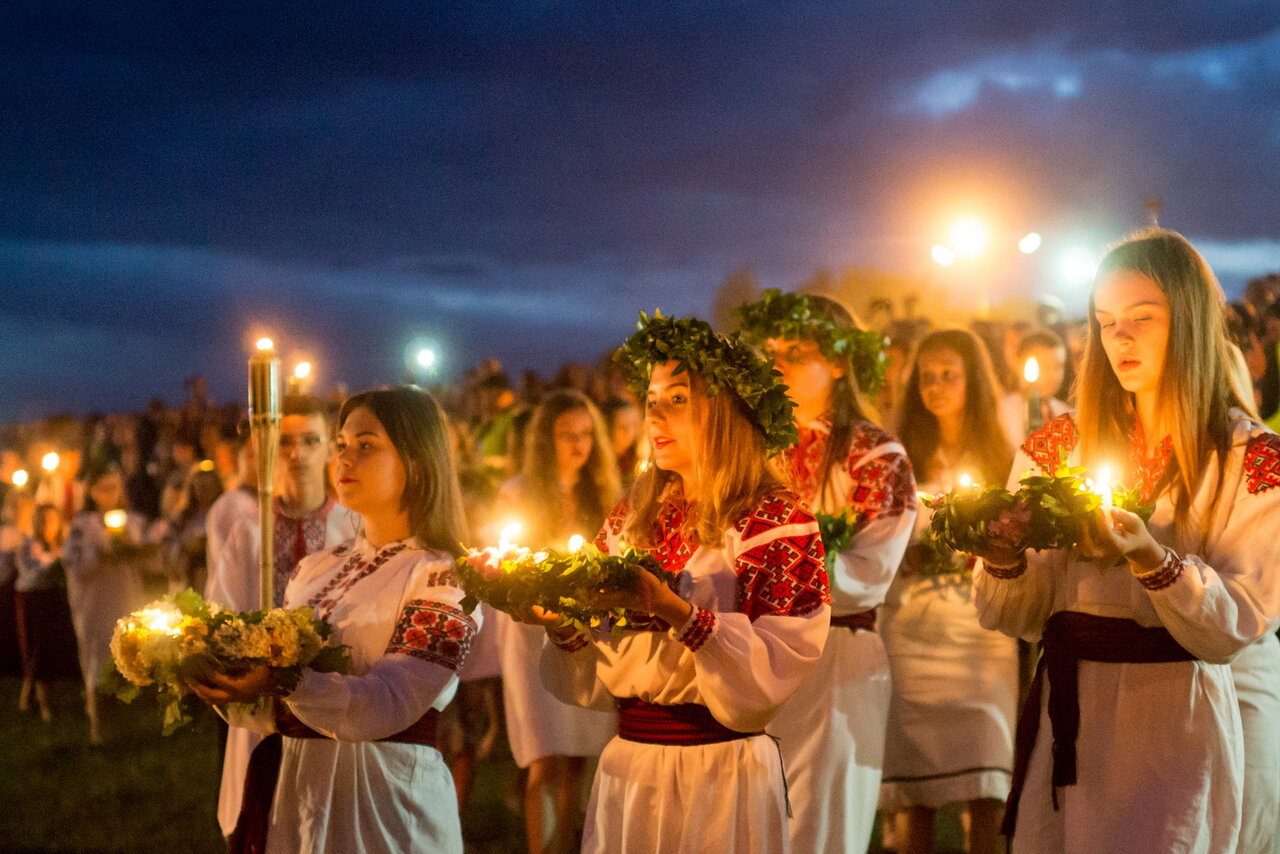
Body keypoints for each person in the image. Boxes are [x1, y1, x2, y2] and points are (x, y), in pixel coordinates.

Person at [970, 229, 1280, 854]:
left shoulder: (1250, 457)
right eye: (1107, 322)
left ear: (1190, 323)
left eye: (1143, 318)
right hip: (1072, 706)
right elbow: (1020, 615)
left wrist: (1151, 558)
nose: (1121, 339)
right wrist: (1004, 557)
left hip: (1174, 717)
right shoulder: (1056, 444)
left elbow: (1240, 619)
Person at [532, 314, 831, 854]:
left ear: (726, 412)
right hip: (630, 765)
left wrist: (681, 615)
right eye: (651, 400)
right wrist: (561, 627)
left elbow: (784, 657)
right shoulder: (631, 518)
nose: (655, 415)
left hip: (720, 772)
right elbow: (595, 674)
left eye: (677, 399)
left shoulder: (774, 519)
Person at [189, 386, 481, 854]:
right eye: (342, 445)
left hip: (384, 800)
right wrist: (226, 682)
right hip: (301, 790)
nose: (343, 459)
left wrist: (286, 681)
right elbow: (273, 707)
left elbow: (393, 698)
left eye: (366, 446)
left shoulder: (443, 576)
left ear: (418, 461)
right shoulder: (315, 570)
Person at [736, 290, 917, 853]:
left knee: (819, 824)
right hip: (751, 659)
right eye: (771, 351)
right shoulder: (749, 449)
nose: (778, 364)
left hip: (836, 658)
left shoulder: (874, 454)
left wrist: (773, 578)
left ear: (839, 362)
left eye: (796, 350)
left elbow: (870, 568)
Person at [882, 328, 1019, 854]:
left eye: (949, 376)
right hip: (913, 623)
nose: (935, 387)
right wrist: (910, 553)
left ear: (973, 382)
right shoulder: (901, 455)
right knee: (917, 783)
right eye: (926, 377)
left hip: (979, 624)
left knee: (986, 782)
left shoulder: (1001, 455)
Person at [204, 395, 358, 839]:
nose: (297, 452)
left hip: (334, 704)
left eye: (310, 440)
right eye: (285, 441)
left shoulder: (353, 527)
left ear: (330, 447)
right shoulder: (248, 532)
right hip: (261, 710)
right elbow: (224, 617)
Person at [495, 388, 621, 854]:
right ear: (545, 440)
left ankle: (567, 843)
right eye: (567, 434)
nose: (578, 445)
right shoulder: (518, 493)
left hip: (587, 632)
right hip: (531, 636)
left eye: (587, 434)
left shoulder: (607, 494)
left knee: (579, 758)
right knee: (544, 755)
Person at [63, 465, 152, 743]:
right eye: (104, 488)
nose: (110, 494)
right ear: (91, 492)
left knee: (128, 657)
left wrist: (131, 548)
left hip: (125, 596)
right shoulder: (81, 526)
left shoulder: (134, 521)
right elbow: (73, 566)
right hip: (95, 602)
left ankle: (132, 727)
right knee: (97, 658)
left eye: (115, 487)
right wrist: (99, 553)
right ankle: (99, 728)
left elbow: (149, 558)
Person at [15, 502, 62, 720]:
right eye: (43, 520)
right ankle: (44, 704)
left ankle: (29, 696)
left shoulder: (60, 544)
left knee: (49, 647)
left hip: (51, 598)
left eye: (53, 520)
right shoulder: (27, 545)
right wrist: (51, 561)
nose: (48, 525)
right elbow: (30, 573)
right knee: (36, 649)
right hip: (31, 598)